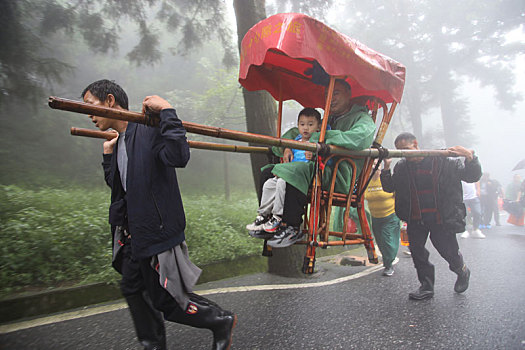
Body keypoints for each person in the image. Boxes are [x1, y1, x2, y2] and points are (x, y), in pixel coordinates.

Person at [82, 79, 236, 350]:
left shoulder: (147, 129)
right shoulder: (119, 143)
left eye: (90, 106)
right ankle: (152, 344)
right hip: (132, 236)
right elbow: (121, 188)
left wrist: (167, 110)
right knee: (133, 289)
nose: (89, 115)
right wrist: (108, 156)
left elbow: (179, 156)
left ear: (109, 101)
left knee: (167, 301)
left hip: (156, 230)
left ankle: (219, 320)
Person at [264, 79, 376, 248]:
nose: (330, 98)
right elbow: (299, 131)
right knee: (268, 172)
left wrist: (320, 140)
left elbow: (359, 139)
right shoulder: (329, 119)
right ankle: (267, 220)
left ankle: (292, 226)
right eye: (327, 95)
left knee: (296, 170)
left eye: (335, 93)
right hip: (318, 170)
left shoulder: (362, 118)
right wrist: (287, 145)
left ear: (349, 94)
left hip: (339, 176)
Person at [380, 132, 482, 300]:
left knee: (448, 251)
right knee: (418, 252)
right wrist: (386, 168)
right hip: (416, 218)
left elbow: (472, 176)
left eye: (406, 149)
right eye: (400, 151)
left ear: (416, 145)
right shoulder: (402, 166)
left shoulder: (444, 161)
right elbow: (390, 188)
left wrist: (470, 156)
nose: (404, 154)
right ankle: (426, 286)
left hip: (441, 218)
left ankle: (461, 270)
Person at [246, 108, 323, 239]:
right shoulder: (295, 141)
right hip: (288, 171)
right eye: (302, 124)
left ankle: (277, 217)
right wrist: (287, 149)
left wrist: (315, 154)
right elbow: (280, 149)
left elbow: (322, 158)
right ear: (298, 125)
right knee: (269, 184)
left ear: (318, 127)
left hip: (301, 176)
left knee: (282, 183)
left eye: (310, 125)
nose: (306, 128)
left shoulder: (316, 143)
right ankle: (263, 215)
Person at [364, 159, 401, 276]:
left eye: (377, 164)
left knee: (387, 241)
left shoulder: (386, 180)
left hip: (390, 216)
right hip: (375, 218)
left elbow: (398, 195)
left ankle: (388, 265)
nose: (375, 166)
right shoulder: (366, 181)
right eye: (372, 164)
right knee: (380, 243)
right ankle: (387, 261)